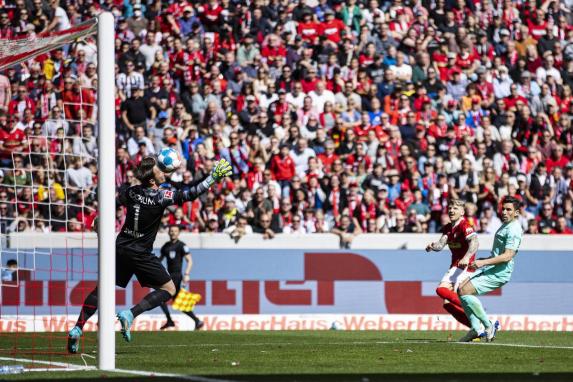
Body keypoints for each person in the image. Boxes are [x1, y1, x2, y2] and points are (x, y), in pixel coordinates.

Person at [67, 157, 232, 353]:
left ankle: (78, 327)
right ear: (153, 181)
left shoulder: (131, 191)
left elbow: (113, 203)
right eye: (160, 171)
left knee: (102, 288)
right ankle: (130, 313)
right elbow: (190, 194)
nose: (164, 172)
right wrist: (212, 178)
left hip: (120, 247)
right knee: (169, 288)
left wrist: (99, 217)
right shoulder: (161, 196)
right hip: (140, 252)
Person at [458, 196, 523, 342]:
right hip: (493, 267)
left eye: (509, 210)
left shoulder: (514, 229)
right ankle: (476, 329)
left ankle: (488, 326)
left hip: (500, 272)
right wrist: (485, 261)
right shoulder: (506, 225)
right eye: (503, 209)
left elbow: (507, 256)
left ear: (516, 212)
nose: (504, 212)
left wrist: (484, 262)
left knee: (465, 290)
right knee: (461, 289)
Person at [425, 199, 478, 328]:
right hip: (455, 267)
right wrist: (433, 246)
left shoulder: (465, 226)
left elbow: (475, 243)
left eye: (455, 208)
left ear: (462, 212)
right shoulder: (448, 228)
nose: (451, 210)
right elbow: (440, 245)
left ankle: (480, 316)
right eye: (450, 208)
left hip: (465, 267)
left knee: (443, 290)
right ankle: (475, 327)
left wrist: (466, 258)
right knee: (447, 304)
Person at [158, 225, 204, 330]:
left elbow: (190, 261)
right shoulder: (166, 246)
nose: (173, 233)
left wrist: (187, 274)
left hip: (177, 277)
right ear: (168, 233)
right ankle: (197, 321)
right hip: (169, 276)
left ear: (178, 233)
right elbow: (160, 260)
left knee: (160, 298)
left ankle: (170, 321)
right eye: (171, 231)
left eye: (175, 231)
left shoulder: (182, 245)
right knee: (177, 302)